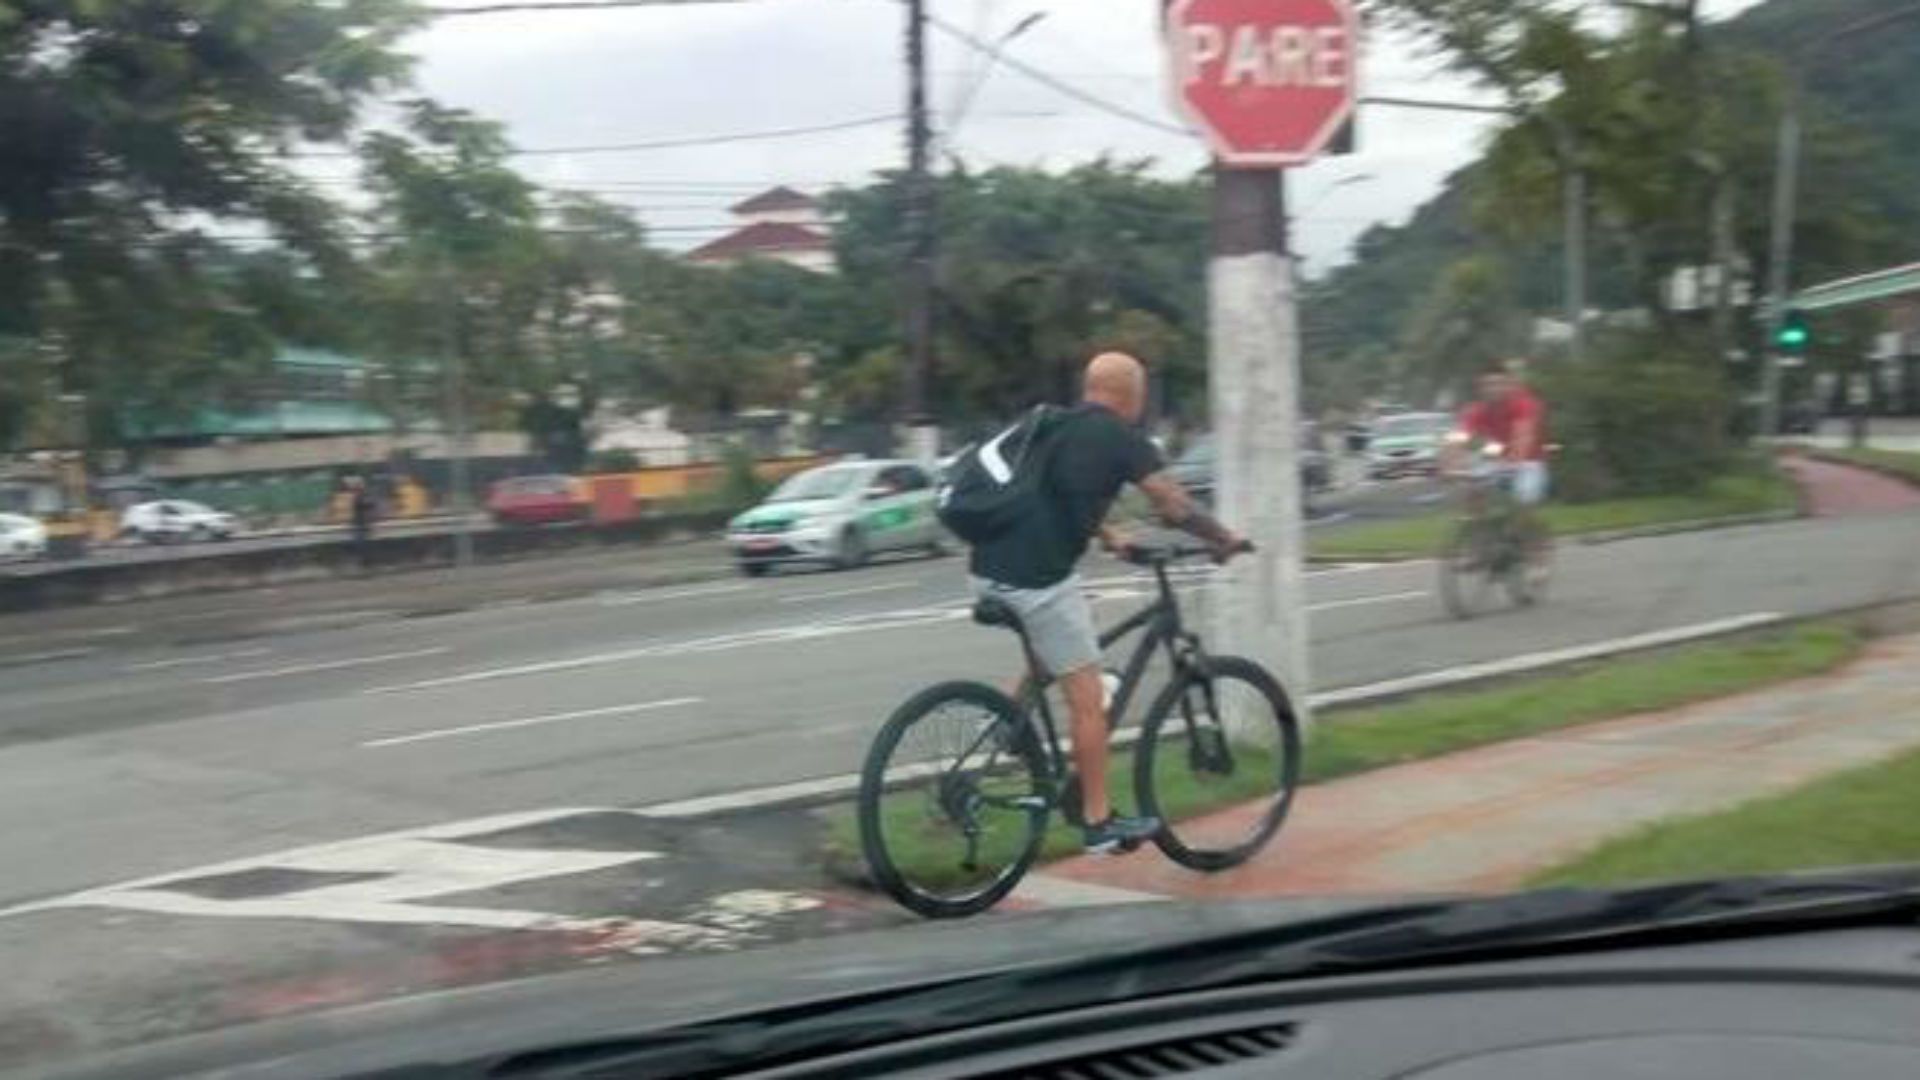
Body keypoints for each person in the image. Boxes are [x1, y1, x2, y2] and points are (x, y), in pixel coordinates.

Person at [967, 352, 1247, 854]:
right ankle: (1098, 822)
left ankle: (1005, 722)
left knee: (1066, 630)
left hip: (987, 574)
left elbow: (1045, 495)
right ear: (1132, 396)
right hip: (1036, 582)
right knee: (1088, 698)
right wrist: (1221, 538)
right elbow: (1174, 505)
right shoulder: (1121, 438)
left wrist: (1107, 531)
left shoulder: (1050, 422)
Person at [1455, 360, 1550, 575]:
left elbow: (1523, 436)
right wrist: (1455, 466)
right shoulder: (1476, 411)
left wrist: (1513, 464)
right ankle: (1478, 548)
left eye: (1497, 384)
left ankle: (1536, 558)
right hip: (1498, 457)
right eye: (1487, 385)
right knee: (1472, 488)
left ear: (1507, 384)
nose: (1492, 389)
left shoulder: (1523, 404)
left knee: (1525, 500)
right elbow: (1462, 439)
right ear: (1479, 388)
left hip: (1530, 461)